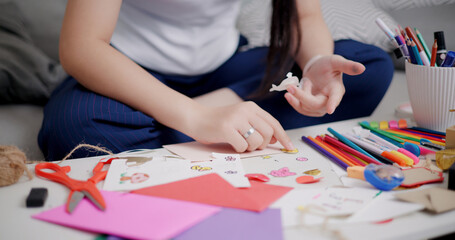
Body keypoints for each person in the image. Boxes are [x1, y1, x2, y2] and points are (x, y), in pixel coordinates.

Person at [38, 0, 393, 161]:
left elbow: (305, 13)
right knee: (73, 130)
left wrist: (315, 63)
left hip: (223, 70)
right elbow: (81, 46)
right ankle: (218, 122)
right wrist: (194, 117)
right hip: (131, 72)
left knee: (368, 64)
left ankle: (221, 120)